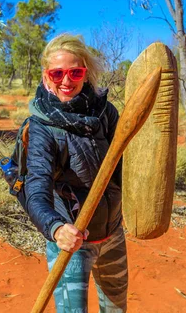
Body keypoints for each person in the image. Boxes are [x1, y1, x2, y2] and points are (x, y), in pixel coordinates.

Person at [23, 33, 128, 312]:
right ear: (47, 76)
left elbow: (127, 165)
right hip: (72, 241)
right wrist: (56, 229)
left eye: (75, 72)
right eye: (57, 73)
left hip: (112, 233)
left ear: (86, 72)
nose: (66, 81)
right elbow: (36, 187)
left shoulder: (105, 113)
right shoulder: (41, 126)